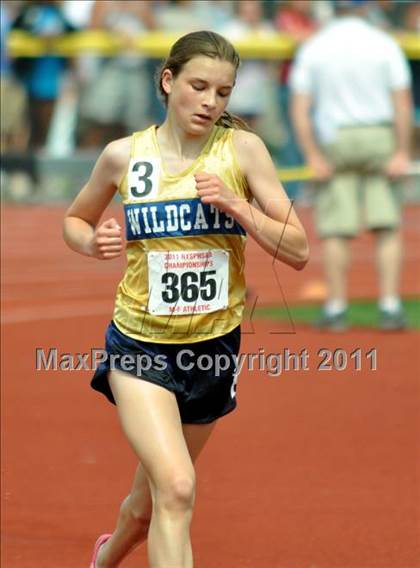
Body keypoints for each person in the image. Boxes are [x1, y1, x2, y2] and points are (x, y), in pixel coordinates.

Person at [63, 30, 308, 568]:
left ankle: (104, 559)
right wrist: (92, 241)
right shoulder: (123, 155)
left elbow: (298, 249)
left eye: (223, 92)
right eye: (199, 86)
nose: (210, 102)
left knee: (147, 506)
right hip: (140, 347)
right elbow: (75, 221)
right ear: (168, 81)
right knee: (177, 486)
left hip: (212, 351)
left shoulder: (242, 150)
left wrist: (239, 207)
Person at [290, 0, 412, 331]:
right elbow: (402, 103)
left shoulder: (316, 45)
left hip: (336, 137)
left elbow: (300, 108)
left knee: (336, 228)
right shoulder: (383, 43)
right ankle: (389, 305)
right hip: (377, 134)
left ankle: (336, 307)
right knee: (386, 223)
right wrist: (402, 150)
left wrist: (312, 153)